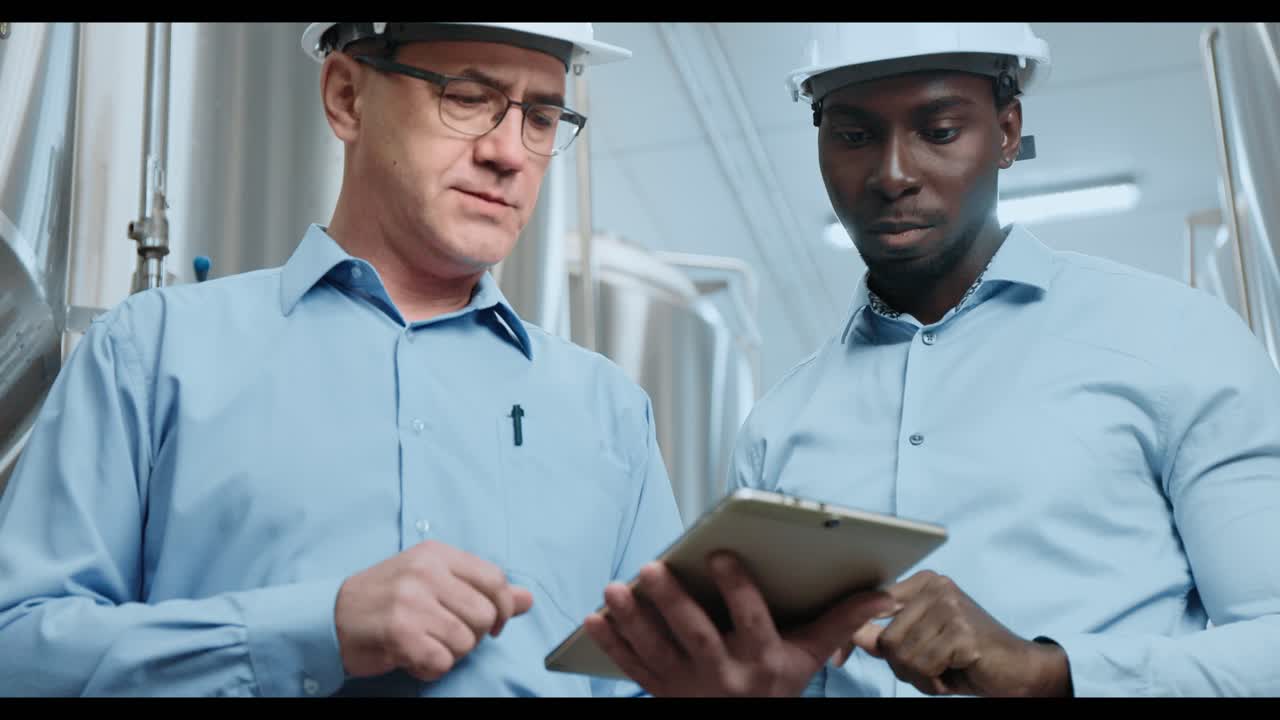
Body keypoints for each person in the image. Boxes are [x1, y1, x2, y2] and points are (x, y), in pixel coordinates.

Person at [586, 22, 1280, 697]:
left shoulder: (1174, 340)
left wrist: (1051, 673)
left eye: (939, 131)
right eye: (855, 136)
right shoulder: (778, 425)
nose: (892, 174)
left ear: (1006, 131)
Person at [0, 21, 689, 697]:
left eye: (540, 117)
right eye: (469, 98)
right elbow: (19, 654)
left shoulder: (613, 417)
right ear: (346, 98)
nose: (509, 152)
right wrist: (314, 630)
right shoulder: (152, 355)